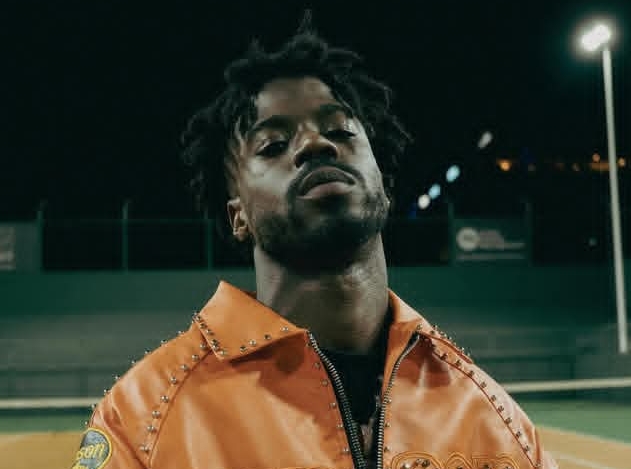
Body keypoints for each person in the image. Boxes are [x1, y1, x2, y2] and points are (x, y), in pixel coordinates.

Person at [72, 17, 557, 469]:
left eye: (340, 130)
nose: (316, 144)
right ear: (238, 216)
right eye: (273, 145)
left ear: (383, 183)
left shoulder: (496, 422)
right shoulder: (143, 421)